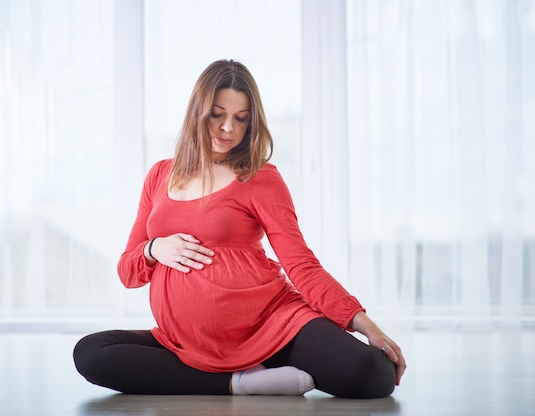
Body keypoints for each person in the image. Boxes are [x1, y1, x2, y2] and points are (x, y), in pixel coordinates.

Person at [73, 59, 406, 397]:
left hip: (272, 326)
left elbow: (301, 265)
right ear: (197, 112)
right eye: (217, 114)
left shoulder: (261, 177)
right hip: (184, 343)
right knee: (90, 353)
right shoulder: (160, 175)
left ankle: (254, 369)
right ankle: (239, 383)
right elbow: (128, 272)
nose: (228, 128)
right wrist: (153, 248)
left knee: (373, 374)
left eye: (240, 118)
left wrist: (366, 325)